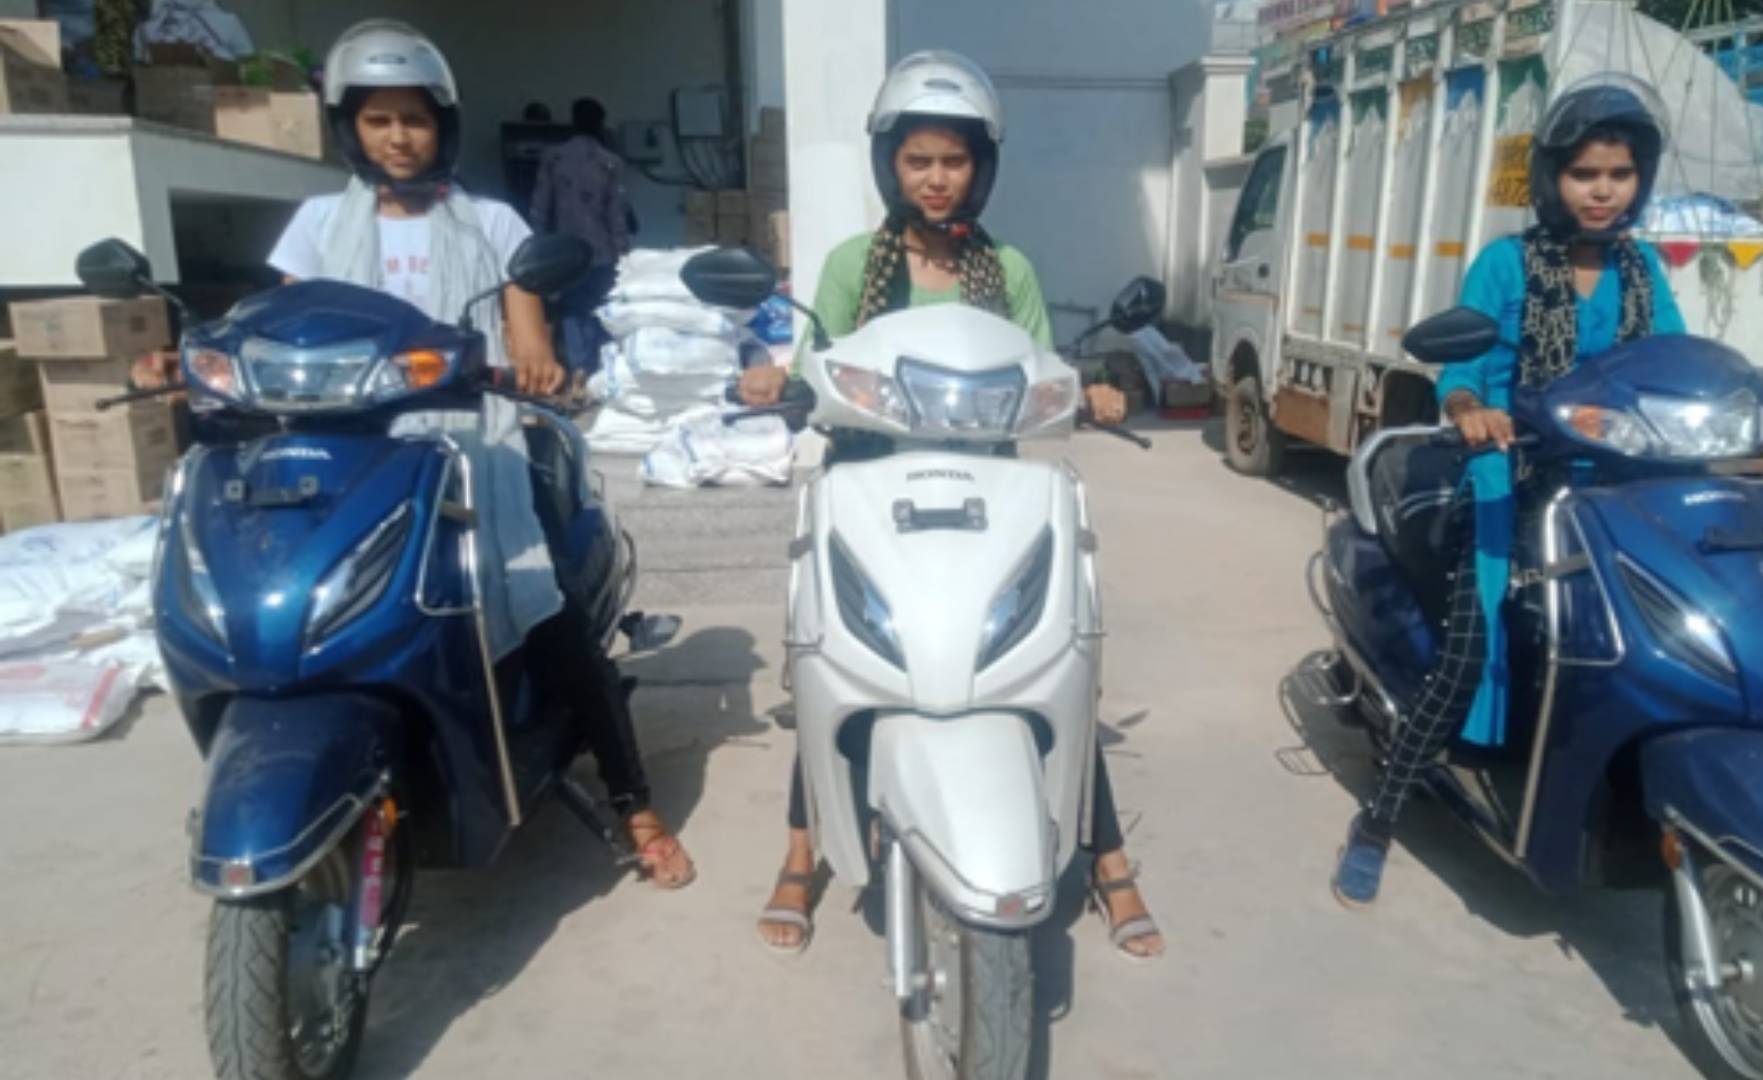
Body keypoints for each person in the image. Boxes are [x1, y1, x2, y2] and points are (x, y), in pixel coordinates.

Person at [741, 51, 1161, 959]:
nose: (937, 179)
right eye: (918, 160)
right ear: (889, 165)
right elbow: (817, 361)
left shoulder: (1006, 267)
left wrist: (1088, 391)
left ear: (983, 167)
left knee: (1055, 657)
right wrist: (776, 377)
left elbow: (1045, 366)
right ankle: (801, 851)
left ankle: (1110, 855)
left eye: (955, 160)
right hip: (869, 485)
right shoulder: (856, 263)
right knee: (832, 658)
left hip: (989, 490)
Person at [267, 19, 693, 888]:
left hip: (469, 447)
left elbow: (525, 317)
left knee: (547, 609)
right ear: (351, 127)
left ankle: (631, 797)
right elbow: (282, 324)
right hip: (355, 450)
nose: (397, 137)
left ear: (442, 126)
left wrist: (533, 360)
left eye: (413, 120)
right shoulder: (316, 225)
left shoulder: (492, 221)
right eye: (379, 120)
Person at [1328, 77, 1686, 909]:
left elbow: (1671, 357)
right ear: (1552, 178)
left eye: (1620, 175)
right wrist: (1469, 410)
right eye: (1585, 174)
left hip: (1615, 490)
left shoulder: (1643, 269)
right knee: (1468, 647)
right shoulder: (1509, 262)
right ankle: (1378, 819)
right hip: (1510, 479)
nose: (1602, 191)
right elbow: (1460, 367)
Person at [531, 96, 633, 374]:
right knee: (602, 308)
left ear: (574, 121)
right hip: (602, 250)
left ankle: (579, 369)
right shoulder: (610, 162)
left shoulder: (554, 157)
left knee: (572, 309)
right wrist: (624, 253)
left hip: (565, 251)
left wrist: (538, 248)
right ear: (600, 122)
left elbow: (541, 207)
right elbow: (616, 213)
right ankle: (603, 368)